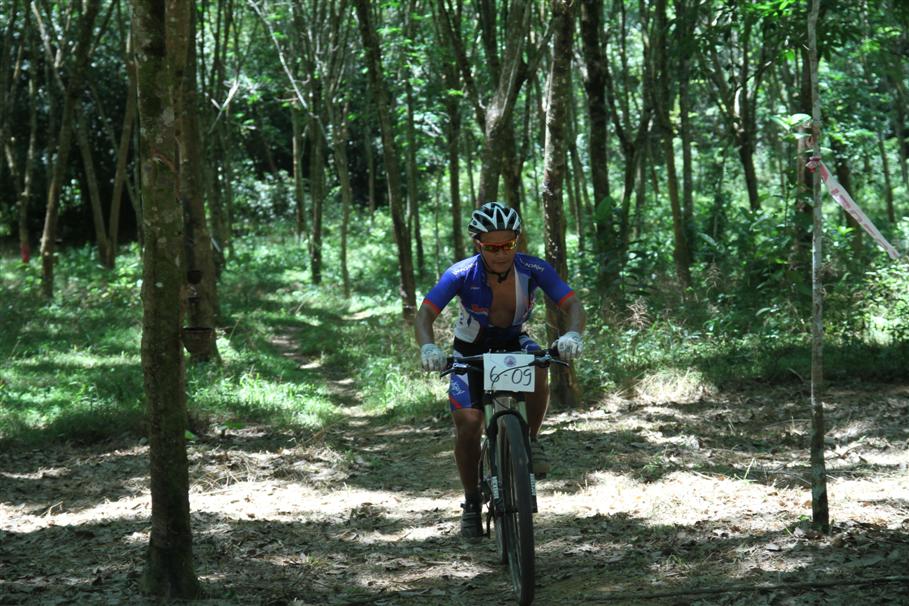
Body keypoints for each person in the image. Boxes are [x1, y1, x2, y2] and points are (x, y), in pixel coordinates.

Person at [414, 202, 586, 539]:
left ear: (517, 241)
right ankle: (471, 501)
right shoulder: (461, 273)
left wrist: (573, 334)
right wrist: (428, 347)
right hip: (470, 349)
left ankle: (530, 440)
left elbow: (572, 304)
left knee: (539, 362)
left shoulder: (533, 267)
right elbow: (425, 316)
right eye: (492, 247)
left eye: (508, 245)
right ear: (478, 244)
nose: (501, 253)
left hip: (512, 341)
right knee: (469, 425)